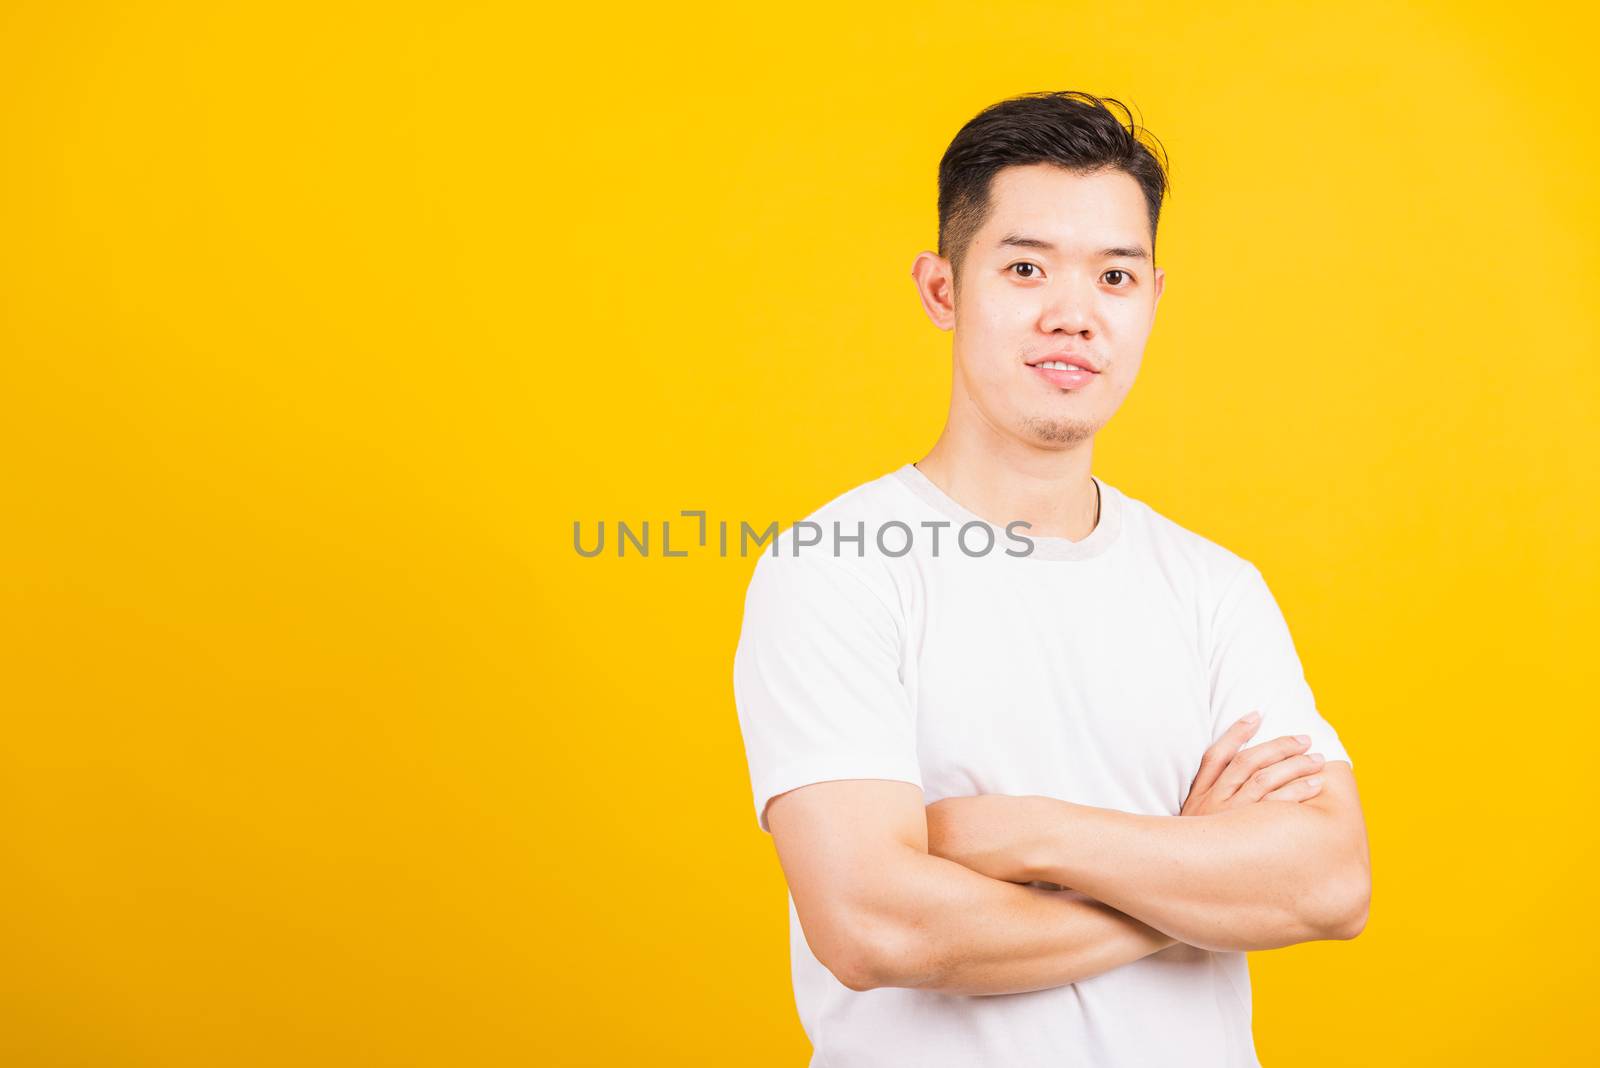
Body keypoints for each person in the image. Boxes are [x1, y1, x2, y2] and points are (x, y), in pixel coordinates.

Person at [731, 90, 1370, 1068]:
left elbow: (1327, 884)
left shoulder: (1214, 588)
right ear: (942, 289)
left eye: (1113, 276)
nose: (1072, 316)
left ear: (1151, 299)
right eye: (1025, 268)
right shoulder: (834, 567)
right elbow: (875, 928)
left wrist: (1027, 834)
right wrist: (1187, 885)